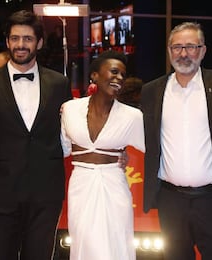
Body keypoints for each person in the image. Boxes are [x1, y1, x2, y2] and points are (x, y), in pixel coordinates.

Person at [0, 10, 72, 260]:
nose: (20, 45)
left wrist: (112, 154)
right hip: (0, 194)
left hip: (46, 195)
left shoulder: (59, 83)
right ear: (7, 41)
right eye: (14, 38)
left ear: (39, 42)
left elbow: (72, 132)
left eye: (27, 39)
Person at [141, 22, 212, 260]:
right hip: (170, 201)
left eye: (191, 46)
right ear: (169, 51)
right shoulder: (152, 91)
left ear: (203, 51)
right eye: (177, 47)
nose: (184, 53)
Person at [60, 50, 144, 260]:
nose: (119, 78)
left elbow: (154, 149)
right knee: (84, 243)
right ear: (94, 75)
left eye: (123, 75)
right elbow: (62, 149)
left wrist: (123, 153)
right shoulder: (69, 109)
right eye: (114, 72)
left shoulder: (133, 116)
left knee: (116, 243)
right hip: (81, 185)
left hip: (114, 185)